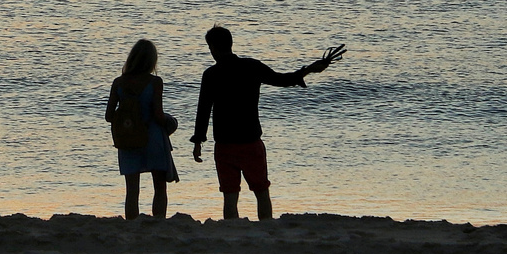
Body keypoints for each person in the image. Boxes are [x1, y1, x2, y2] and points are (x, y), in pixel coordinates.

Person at [191, 26, 345, 220]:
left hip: (225, 144)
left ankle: (232, 233)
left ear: (213, 47)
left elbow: (203, 110)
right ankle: (267, 227)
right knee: (261, 192)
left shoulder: (211, 74)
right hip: (250, 142)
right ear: (230, 44)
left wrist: (198, 141)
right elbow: (281, 79)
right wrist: (307, 71)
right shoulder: (251, 66)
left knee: (230, 196)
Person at [105, 38, 180, 219]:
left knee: (132, 190)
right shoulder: (155, 82)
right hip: (153, 137)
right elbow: (158, 115)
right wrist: (172, 122)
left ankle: (131, 225)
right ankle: (158, 221)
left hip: (128, 139)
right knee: (160, 187)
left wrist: (127, 119)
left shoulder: (118, 83)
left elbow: (109, 116)